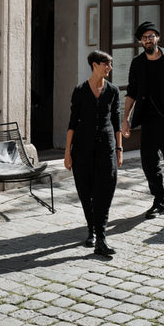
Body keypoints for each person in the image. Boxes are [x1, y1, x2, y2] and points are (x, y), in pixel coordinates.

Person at [121, 21, 164, 218]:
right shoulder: (138, 63)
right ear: (141, 42)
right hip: (148, 120)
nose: (148, 40)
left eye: (151, 36)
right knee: (149, 162)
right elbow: (131, 92)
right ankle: (159, 199)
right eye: (144, 37)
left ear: (158, 38)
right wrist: (125, 119)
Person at [64, 50, 122, 258]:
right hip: (82, 148)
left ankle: (102, 236)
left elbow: (116, 122)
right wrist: (67, 153)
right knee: (85, 190)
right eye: (106, 64)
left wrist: (119, 149)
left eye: (110, 64)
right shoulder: (80, 90)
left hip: (106, 146)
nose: (110, 68)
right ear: (95, 65)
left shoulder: (113, 91)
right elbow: (72, 123)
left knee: (105, 189)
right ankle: (92, 230)